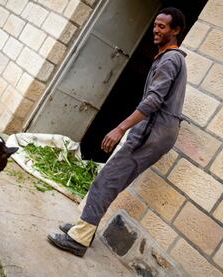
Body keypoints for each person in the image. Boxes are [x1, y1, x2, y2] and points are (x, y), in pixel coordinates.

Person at [47, 7, 187, 257]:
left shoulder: (170, 60)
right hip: (158, 132)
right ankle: (84, 230)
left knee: (106, 180)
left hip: (152, 132)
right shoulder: (169, 58)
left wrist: (121, 128)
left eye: (162, 27)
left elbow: (154, 100)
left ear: (175, 31)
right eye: (155, 24)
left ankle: (78, 240)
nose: (156, 29)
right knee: (111, 180)